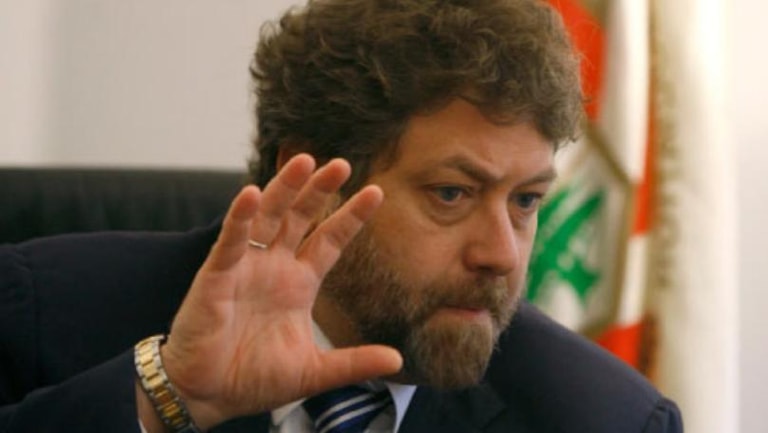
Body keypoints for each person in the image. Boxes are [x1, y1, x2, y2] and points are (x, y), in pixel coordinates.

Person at [0, 0, 683, 432]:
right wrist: (166, 397)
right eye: (451, 193)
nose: (502, 254)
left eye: (525, 200)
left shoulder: (601, 418)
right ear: (311, 180)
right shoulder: (43, 317)